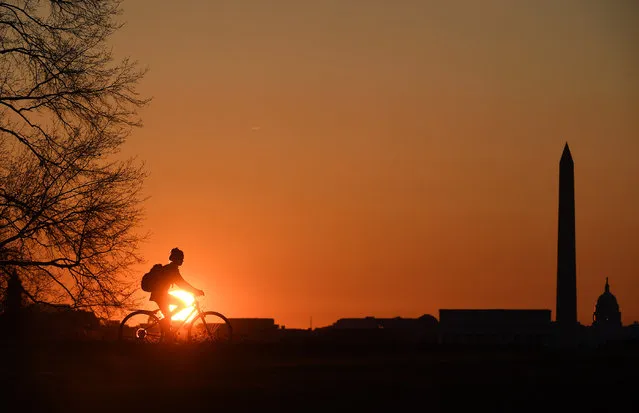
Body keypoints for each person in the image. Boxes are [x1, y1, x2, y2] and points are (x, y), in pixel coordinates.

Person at [149, 247, 204, 341]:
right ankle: (165, 329)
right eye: (181, 258)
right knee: (181, 305)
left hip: (161, 295)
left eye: (182, 258)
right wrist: (195, 291)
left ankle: (167, 336)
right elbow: (182, 284)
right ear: (175, 258)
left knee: (168, 316)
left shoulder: (170, 268)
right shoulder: (172, 270)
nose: (182, 260)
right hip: (160, 295)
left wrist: (194, 290)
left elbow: (182, 283)